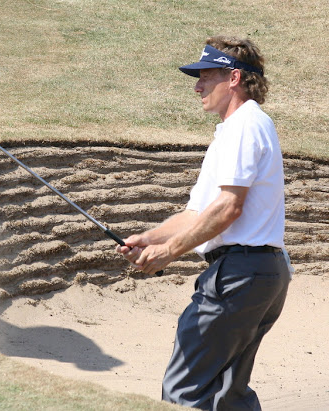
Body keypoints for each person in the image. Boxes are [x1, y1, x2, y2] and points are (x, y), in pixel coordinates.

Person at [116, 36, 292, 410]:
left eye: (206, 77)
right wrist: (149, 238)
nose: (197, 85)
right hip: (259, 272)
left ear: (233, 78)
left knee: (184, 391)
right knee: (229, 394)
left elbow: (229, 208)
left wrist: (168, 252)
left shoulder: (245, 124)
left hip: (240, 274)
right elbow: (197, 213)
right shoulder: (235, 130)